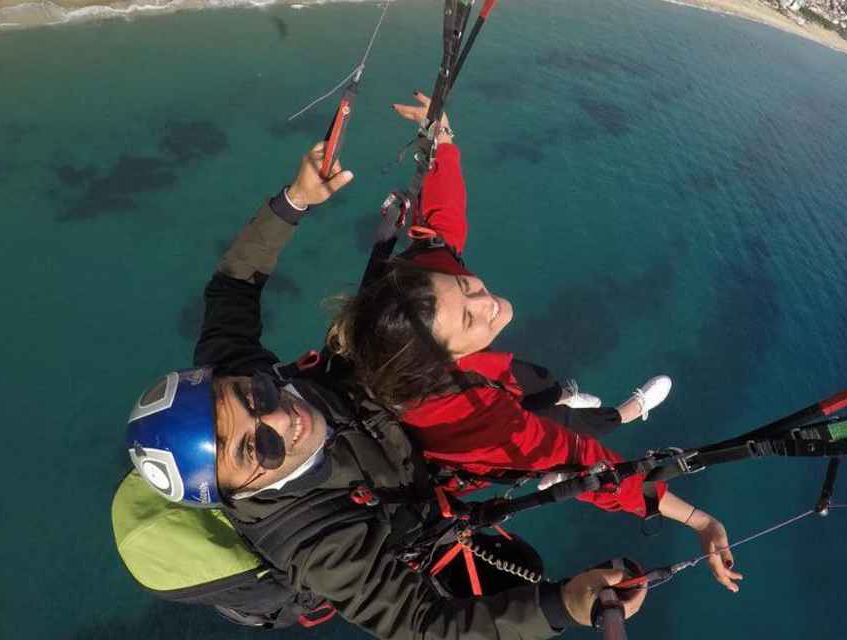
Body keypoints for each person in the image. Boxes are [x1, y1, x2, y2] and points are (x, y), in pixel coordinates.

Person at [124, 139, 648, 637]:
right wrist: (563, 606)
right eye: (259, 447)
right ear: (238, 491)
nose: (281, 417)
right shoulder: (316, 543)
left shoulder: (227, 371)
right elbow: (422, 626)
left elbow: (233, 285)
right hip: (412, 494)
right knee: (523, 558)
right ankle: (616, 416)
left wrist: (294, 201)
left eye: (256, 394)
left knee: (539, 410)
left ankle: (594, 414)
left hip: (396, 426)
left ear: (233, 378)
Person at [328, 93, 744, 594]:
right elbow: (582, 463)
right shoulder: (474, 421)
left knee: (545, 384)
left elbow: (440, 233)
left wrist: (443, 142)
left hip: (487, 377)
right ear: (447, 358)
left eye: (468, 287)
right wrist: (697, 519)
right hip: (478, 437)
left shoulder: (416, 302)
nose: (488, 300)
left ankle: (573, 399)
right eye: (469, 315)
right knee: (573, 421)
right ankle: (629, 411)